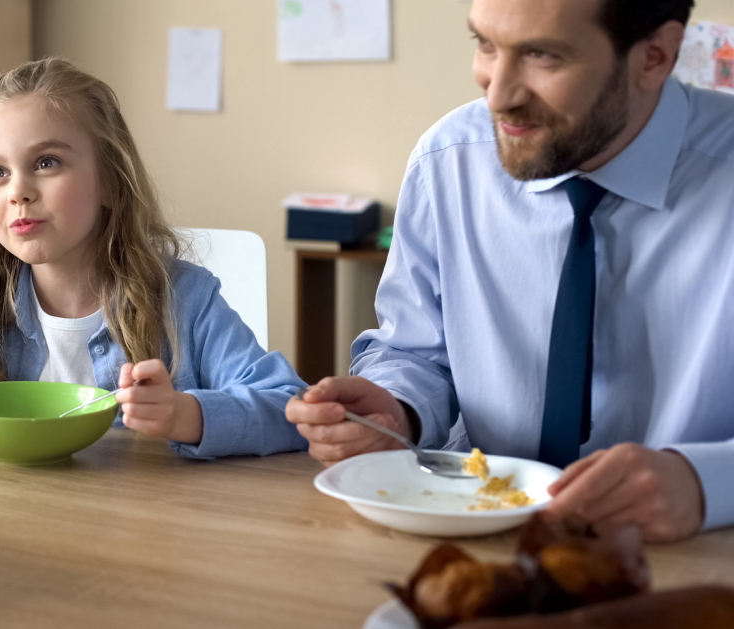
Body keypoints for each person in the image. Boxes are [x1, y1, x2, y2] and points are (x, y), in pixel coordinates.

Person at [287, 0, 734, 543]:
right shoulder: (447, 162)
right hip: (474, 535)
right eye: (486, 45)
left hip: (696, 553)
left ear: (655, 57)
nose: (497, 96)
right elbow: (413, 351)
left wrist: (705, 483)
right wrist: (399, 408)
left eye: (542, 56)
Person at [0, 58, 308, 459]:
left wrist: (185, 414)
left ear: (109, 180)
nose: (18, 191)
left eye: (46, 163)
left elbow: (290, 408)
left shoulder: (186, 299)